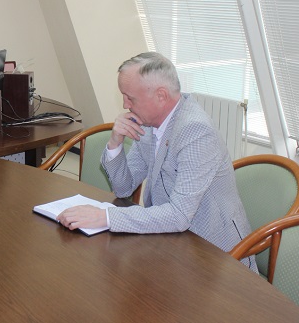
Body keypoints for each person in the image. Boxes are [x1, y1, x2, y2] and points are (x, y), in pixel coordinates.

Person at [56, 52, 256, 271]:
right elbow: (123, 188)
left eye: (130, 98)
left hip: (214, 256)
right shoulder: (149, 123)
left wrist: (105, 217)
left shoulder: (195, 131)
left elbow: (179, 215)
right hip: (171, 241)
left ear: (161, 96)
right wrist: (115, 143)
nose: (125, 105)